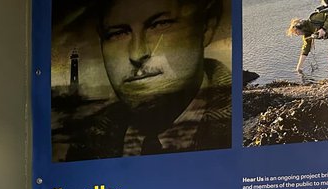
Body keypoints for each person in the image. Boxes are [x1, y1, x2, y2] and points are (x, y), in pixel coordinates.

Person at [86, 0, 231, 157]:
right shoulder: (90, 139)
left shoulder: (241, 123)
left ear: (206, 26)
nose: (137, 54)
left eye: (160, 24)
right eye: (117, 33)